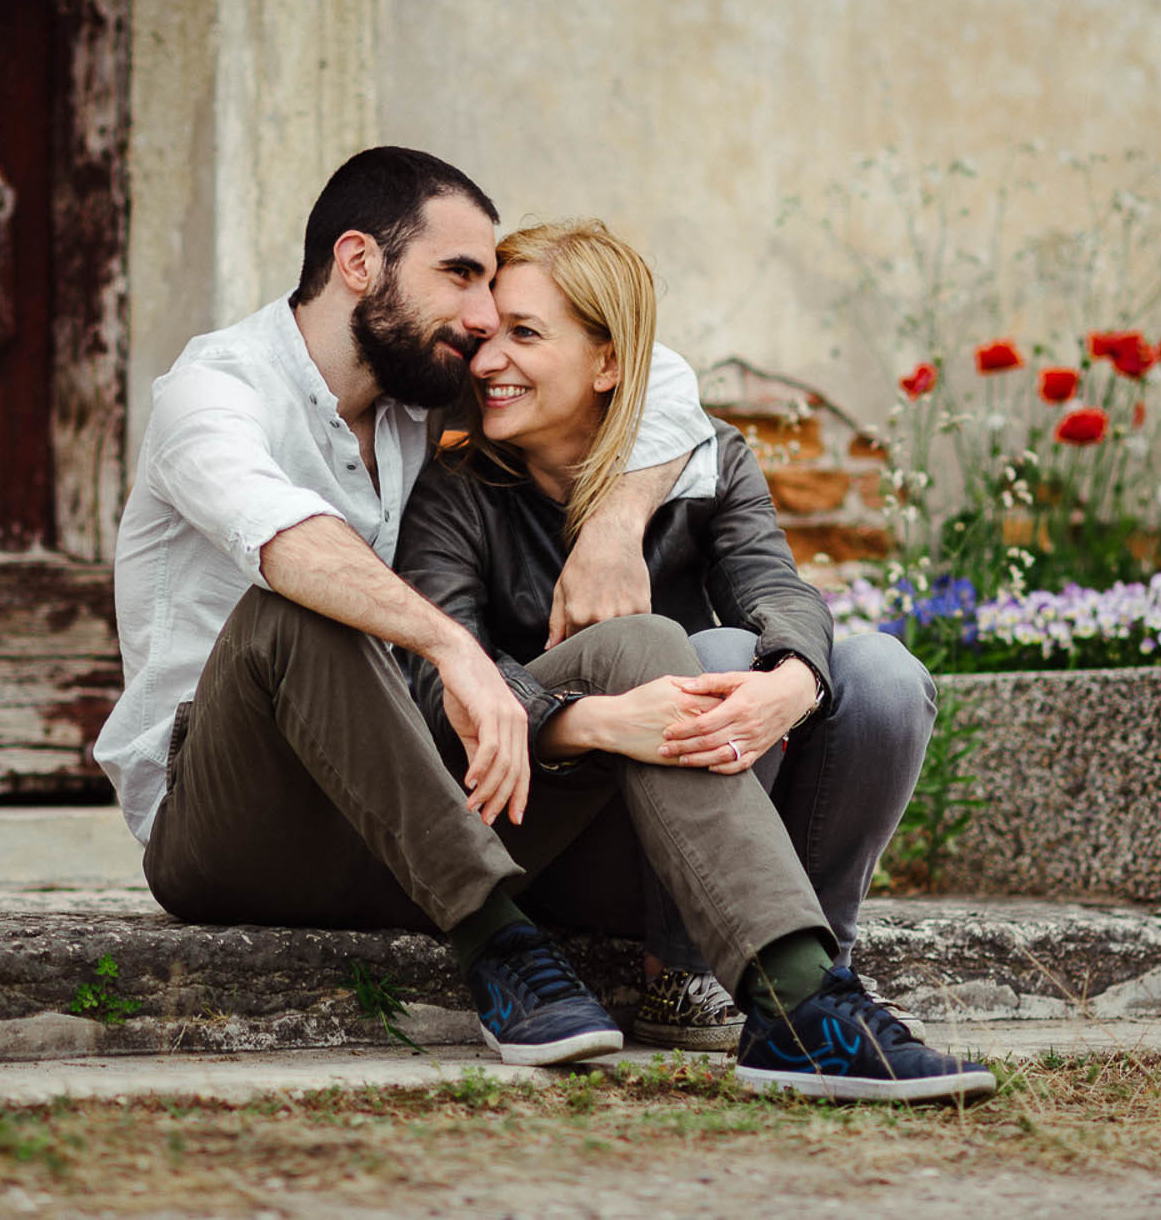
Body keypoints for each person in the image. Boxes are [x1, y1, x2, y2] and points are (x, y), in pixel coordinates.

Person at [95, 147, 968, 1098]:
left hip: (400, 818)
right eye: (460, 276)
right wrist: (449, 644)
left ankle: (800, 1003)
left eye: (498, 300)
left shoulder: (413, 403)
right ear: (359, 262)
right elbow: (289, 542)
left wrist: (613, 522)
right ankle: (502, 946)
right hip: (230, 821)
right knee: (299, 605)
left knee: (655, 646)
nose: (480, 323)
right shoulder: (213, 392)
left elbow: (654, 372)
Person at [395, 218, 988, 1100]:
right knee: (703, 649)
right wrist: (583, 718)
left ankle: (820, 985)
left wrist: (791, 684)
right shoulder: (457, 487)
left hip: (718, 819)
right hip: (563, 817)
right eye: (487, 336)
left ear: (608, 364)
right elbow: (432, 678)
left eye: (524, 335)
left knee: (883, 676)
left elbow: (780, 591)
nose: (487, 362)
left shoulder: (708, 463)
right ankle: (683, 974)